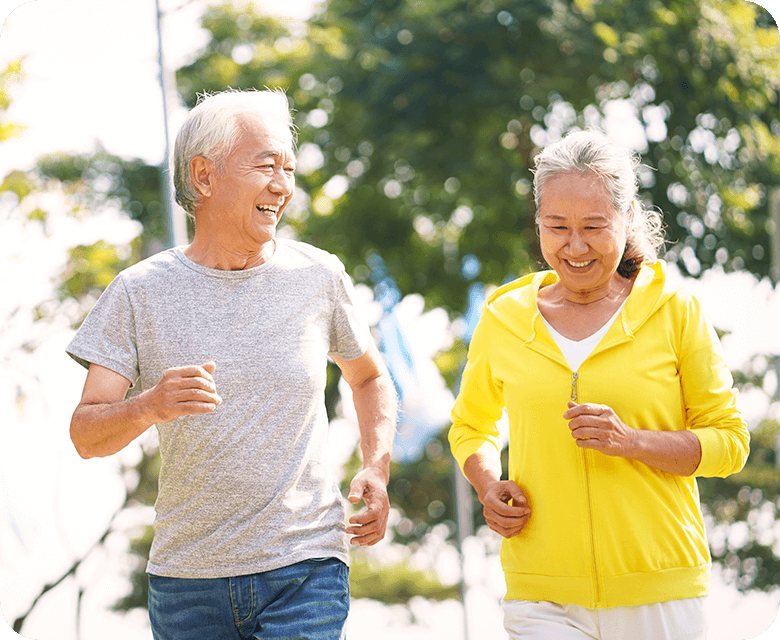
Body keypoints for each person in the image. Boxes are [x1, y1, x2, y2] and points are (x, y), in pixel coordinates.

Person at [67, 88, 397, 640]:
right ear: (203, 177)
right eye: (267, 166)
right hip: (187, 584)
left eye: (289, 169)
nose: (283, 186)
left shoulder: (319, 276)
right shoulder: (139, 292)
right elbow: (86, 434)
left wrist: (376, 465)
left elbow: (369, 377)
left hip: (305, 566)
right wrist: (150, 405)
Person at [448, 130, 749, 640]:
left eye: (593, 226)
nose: (575, 246)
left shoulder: (676, 311)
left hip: (660, 588)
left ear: (627, 217)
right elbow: (471, 425)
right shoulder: (503, 318)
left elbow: (730, 444)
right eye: (557, 227)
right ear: (539, 221)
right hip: (540, 591)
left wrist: (631, 441)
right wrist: (488, 484)